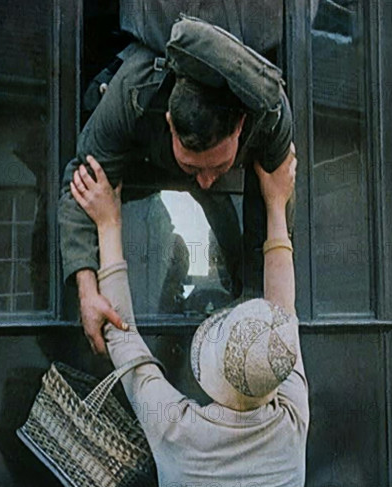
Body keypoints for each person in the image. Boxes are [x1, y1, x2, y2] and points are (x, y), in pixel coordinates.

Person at [69, 150, 307, 486]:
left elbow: (122, 336)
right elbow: (285, 310)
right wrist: (277, 204)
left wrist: (108, 223)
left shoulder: (175, 429)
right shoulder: (291, 423)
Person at [58, 35, 295, 355]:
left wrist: (253, 311)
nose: (208, 181)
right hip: (140, 160)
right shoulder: (133, 89)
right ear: (170, 123)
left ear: (240, 125)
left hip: (224, 172)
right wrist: (87, 290)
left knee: (219, 206)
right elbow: (80, 186)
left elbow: (269, 215)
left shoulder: (272, 114)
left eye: (218, 165)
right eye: (194, 166)